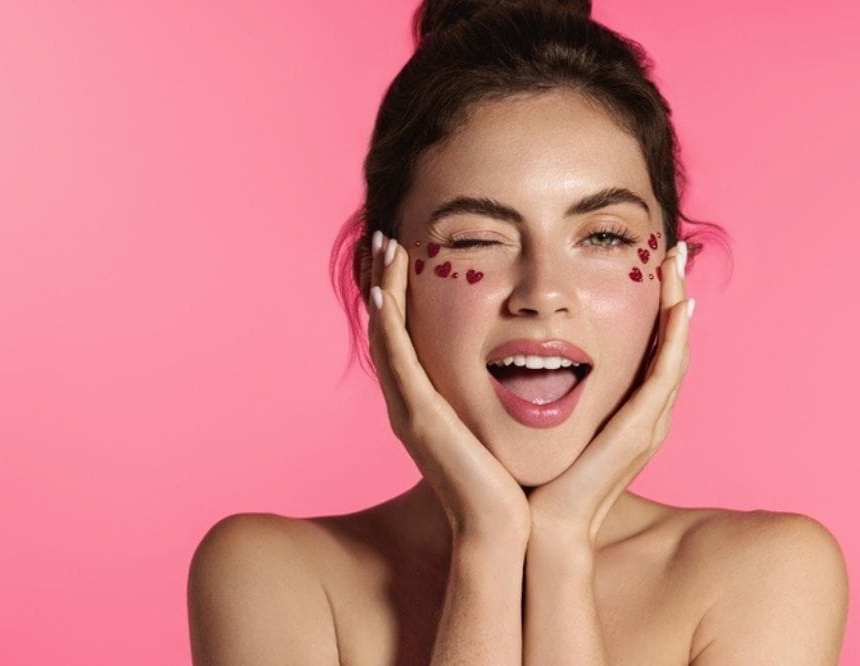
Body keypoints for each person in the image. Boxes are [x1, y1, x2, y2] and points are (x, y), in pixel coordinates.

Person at [187, 1, 849, 664]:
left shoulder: (765, 577)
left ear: (669, 276)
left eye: (604, 236)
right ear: (381, 278)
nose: (543, 295)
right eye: (476, 239)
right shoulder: (274, 578)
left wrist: (558, 546)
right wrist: (489, 542)